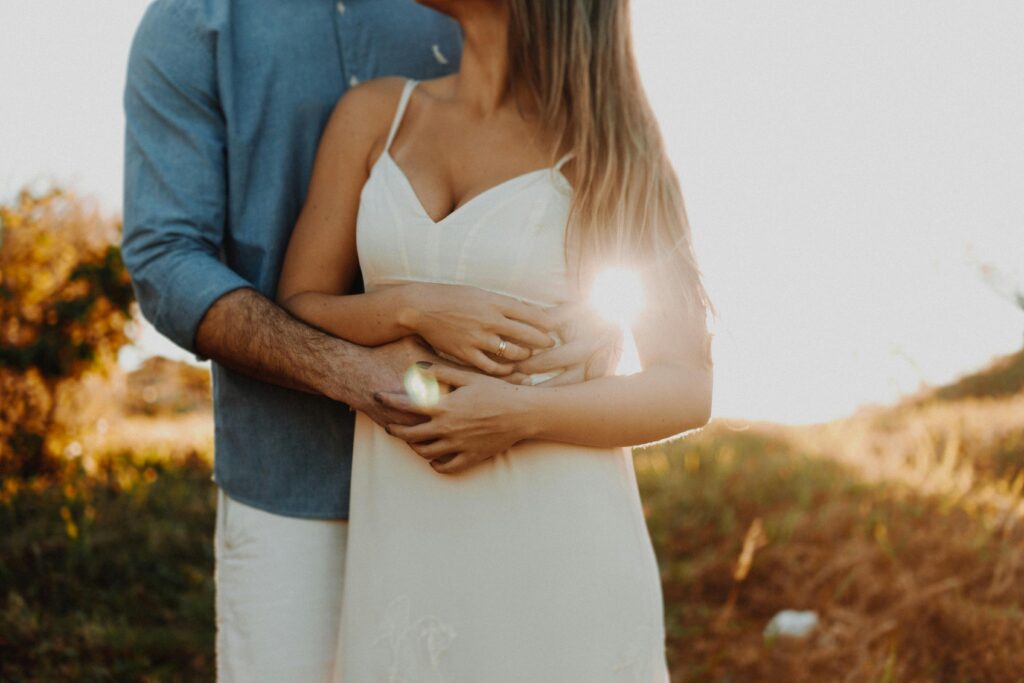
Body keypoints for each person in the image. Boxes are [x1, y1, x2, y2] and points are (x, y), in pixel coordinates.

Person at [121, 1, 615, 680]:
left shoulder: (464, 13)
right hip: (291, 484)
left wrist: (598, 313)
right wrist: (355, 371)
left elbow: (578, 168)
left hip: (488, 473)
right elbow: (166, 258)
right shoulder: (196, 20)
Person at [275, 0, 714, 680]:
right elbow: (300, 307)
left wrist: (519, 415)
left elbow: (687, 385)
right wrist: (414, 307)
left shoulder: (614, 146)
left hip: (563, 543)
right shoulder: (376, 114)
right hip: (408, 540)